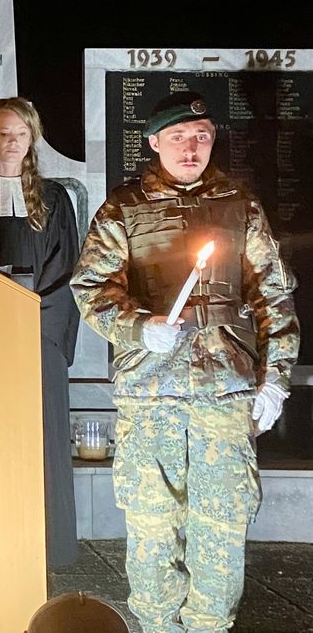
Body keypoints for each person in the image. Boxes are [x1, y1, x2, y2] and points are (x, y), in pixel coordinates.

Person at [70, 91, 299, 633]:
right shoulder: (123, 208)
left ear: (212, 139)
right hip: (151, 395)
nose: (190, 147)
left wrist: (275, 382)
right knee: (152, 527)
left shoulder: (241, 206)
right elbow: (91, 287)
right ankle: (156, 628)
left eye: (200, 136)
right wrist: (138, 328)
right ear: (154, 143)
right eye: (177, 137)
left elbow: (274, 295)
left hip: (225, 393)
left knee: (221, 527)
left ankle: (209, 629)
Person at [0, 97, 79, 569]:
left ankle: (46, 545)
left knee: (42, 434)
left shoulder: (54, 199)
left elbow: (68, 269)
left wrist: (32, 318)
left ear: (32, 139)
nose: (11, 142)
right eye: (3, 133)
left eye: (20, 134)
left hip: (38, 333)